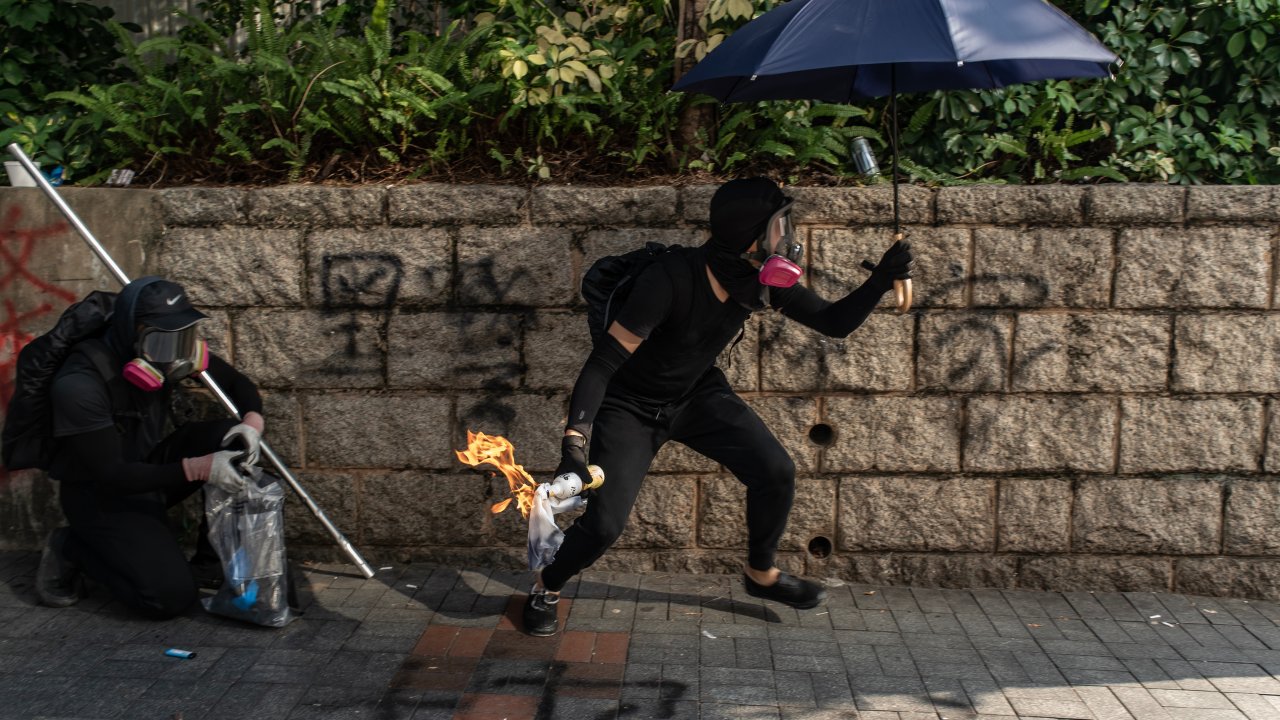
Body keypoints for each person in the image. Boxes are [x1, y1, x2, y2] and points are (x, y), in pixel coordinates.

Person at [523, 177, 915, 636]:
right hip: (629, 406)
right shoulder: (668, 280)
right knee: (604, 525)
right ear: (745, 237)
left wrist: (879, 280)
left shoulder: (759, 281)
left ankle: (760, 575)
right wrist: (575, 442)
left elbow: (834, 322)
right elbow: (601, 365)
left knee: (775, 471)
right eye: (777, 229)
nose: (786, 239)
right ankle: (545, 584)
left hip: (697, 395)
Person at [35, 276, 266, 620]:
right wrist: (199, 467)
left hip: (148, 472)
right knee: (168, 598)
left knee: (230, 439)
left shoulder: (165, 350)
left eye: (182, 336)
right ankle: (72, 547)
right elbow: (112, 473)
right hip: (101, 494)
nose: (174, 352)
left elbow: (235, 383)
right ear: (133, 333)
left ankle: (208, 563)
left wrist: (252, 424)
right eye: (162, 340)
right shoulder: (79, 385)